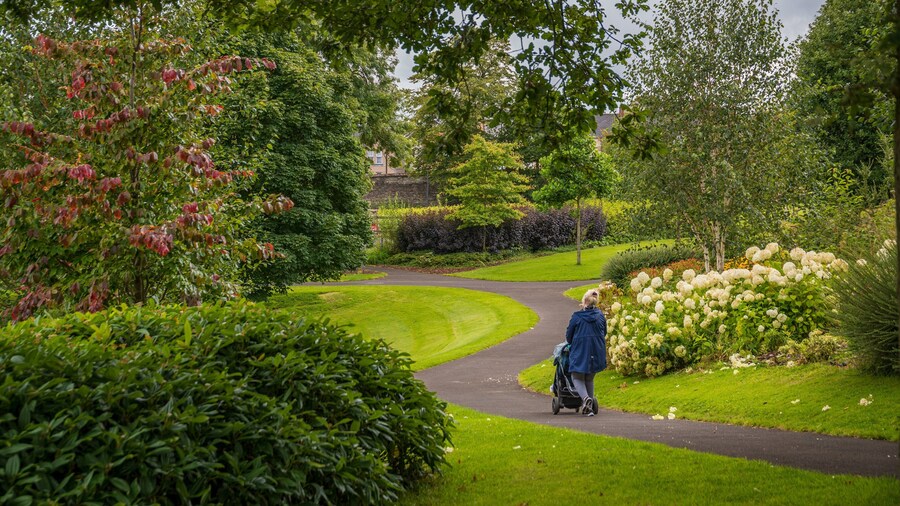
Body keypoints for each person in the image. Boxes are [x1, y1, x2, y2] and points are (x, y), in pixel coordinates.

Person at [565, 288, 607, 416]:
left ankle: (586, 399)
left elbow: (569, 336)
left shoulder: (577, 317)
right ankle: (589, 406)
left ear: (584, 302)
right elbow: (604, 332)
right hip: (597, 350)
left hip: (581, 350)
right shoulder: (600, 316)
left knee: (576, 376)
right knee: (589, 377)